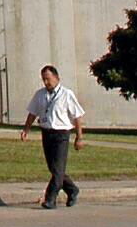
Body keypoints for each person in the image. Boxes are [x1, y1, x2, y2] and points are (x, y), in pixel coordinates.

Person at [19, 64, 86, 208]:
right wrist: (26, 129)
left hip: (61, 134)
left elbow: (77, 116)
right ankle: (72, 189)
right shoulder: (40, 95)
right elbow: (32, 113)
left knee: (58, 169)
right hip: (47, 132)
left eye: (48, 79)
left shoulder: (67, 94)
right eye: (43, 79)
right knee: (54, 168)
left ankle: (50, 199)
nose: (46, 82)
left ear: (57, 78)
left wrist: (79, 137)